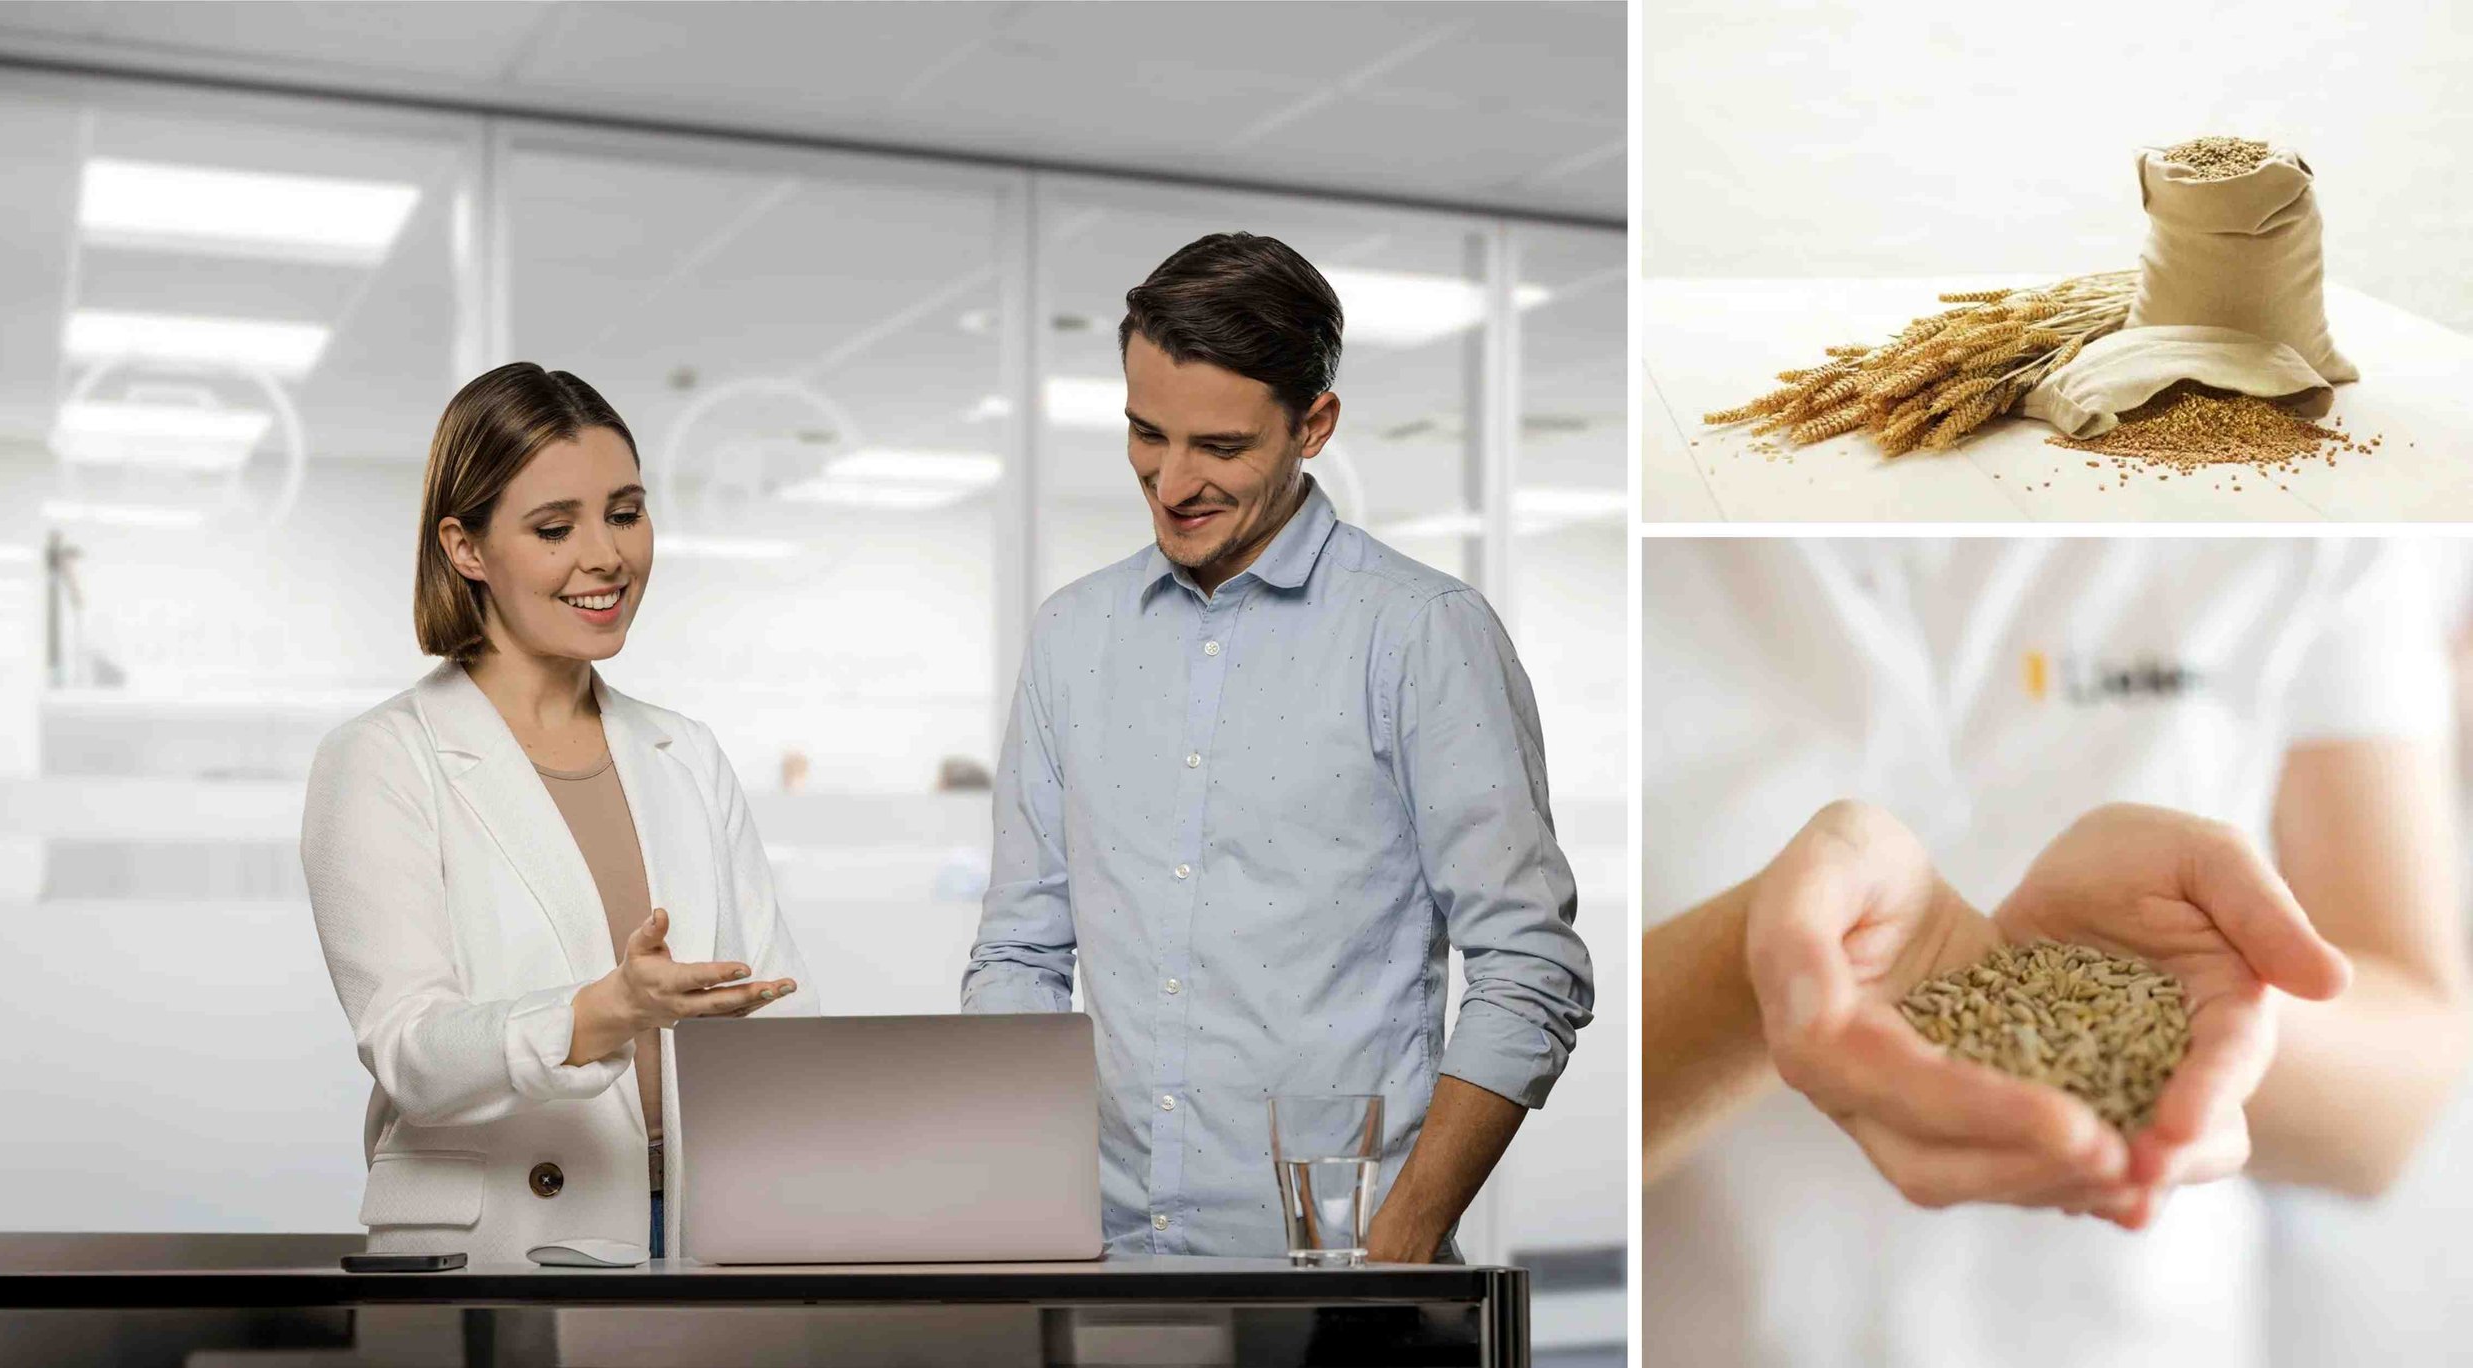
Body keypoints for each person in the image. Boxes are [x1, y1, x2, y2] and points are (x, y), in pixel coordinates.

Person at [1641, 538, 2471, 1368]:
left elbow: (2398, 1103)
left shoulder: (2314, 521)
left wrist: (2191, 1009)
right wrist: (1768, 962)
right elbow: (1560, 1118)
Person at [961, 232, 1595, 1262]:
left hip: (1343, 1279)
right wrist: (1019, 1205)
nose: (1171, 483)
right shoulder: (1072, 634)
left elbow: (1529, 967)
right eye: (1145, 434)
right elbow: (1019, 953)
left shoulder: (1421, 634)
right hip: (1099, 1264)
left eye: (1220, 448)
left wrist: (1400, 1245)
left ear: (1314, 426)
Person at [303, 363, 816, 1265]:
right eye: (554, 528)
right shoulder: (383, 758)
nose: (607, 555)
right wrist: (602, 1011)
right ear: (466, 548)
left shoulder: (686, 752)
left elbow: (772, 1004)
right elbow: (411, 1049)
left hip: (704, 1228)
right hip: (499, 1241)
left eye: (625, 512)